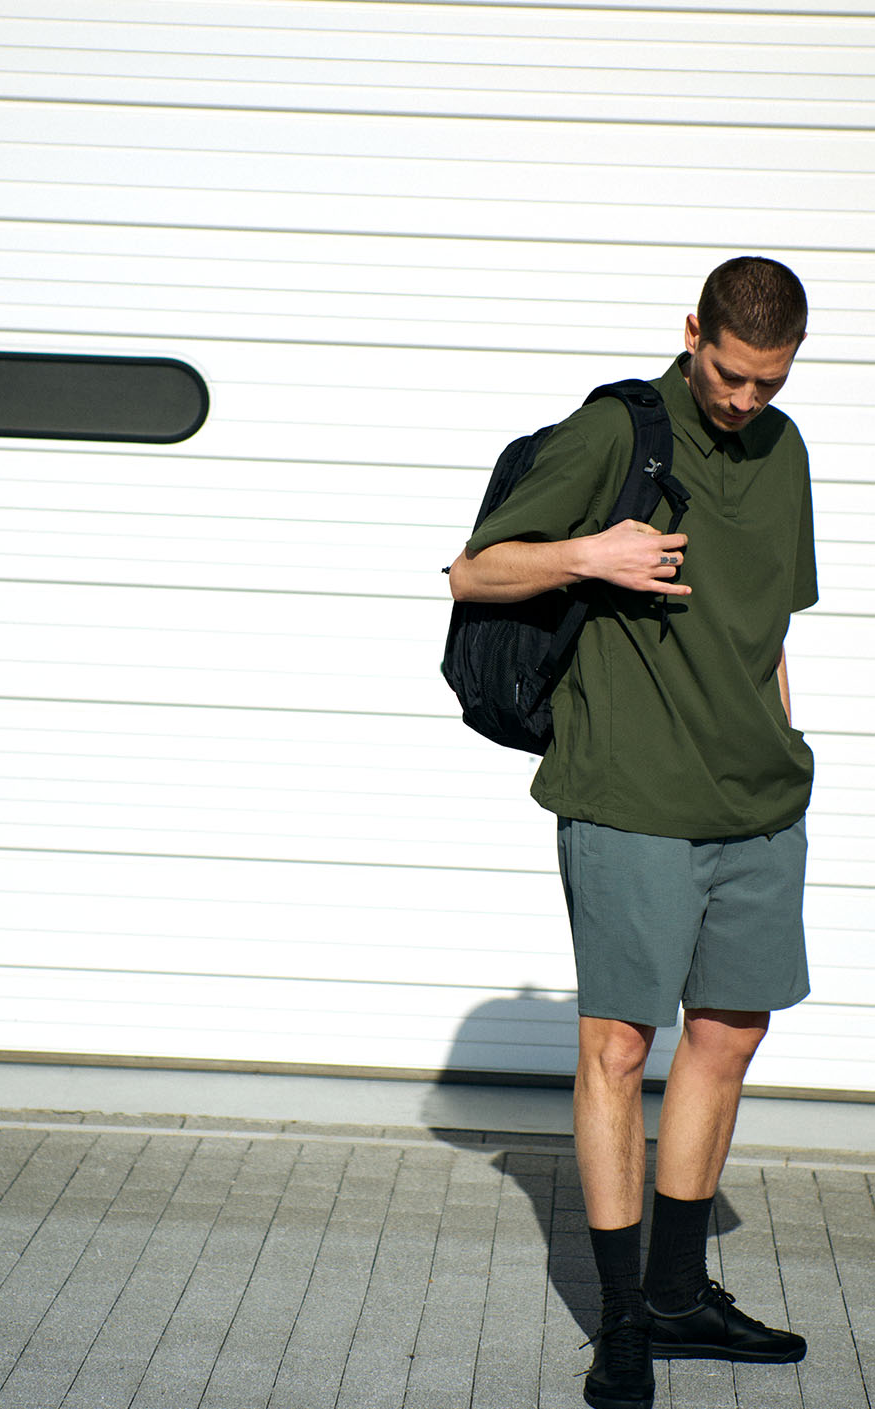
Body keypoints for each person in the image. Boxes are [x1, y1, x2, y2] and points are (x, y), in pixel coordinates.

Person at [448, 257, 815, 1409]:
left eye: (768, 381)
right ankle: (620, 1323)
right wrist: (588, 553)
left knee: (729, 1035)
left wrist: (785, 746)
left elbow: (768, 627)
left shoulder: (785, 449)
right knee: (616, 1047)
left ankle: (678, 1292)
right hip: (630, 797)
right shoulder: (618, 430)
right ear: (693, 331)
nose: (744, 398)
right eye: (730, 372)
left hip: (758, 802)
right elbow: (473, 571)